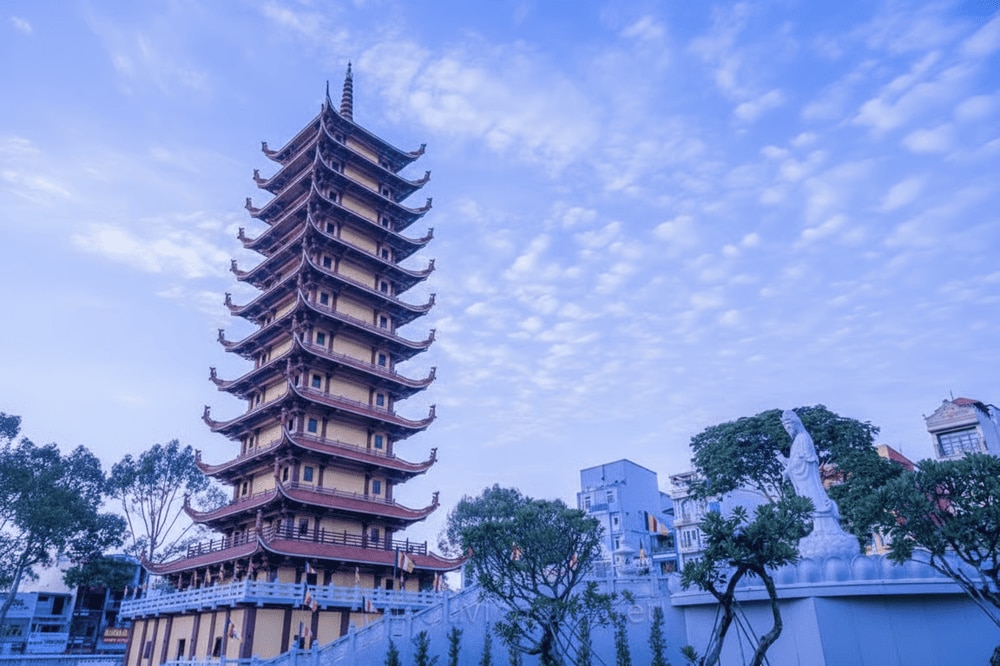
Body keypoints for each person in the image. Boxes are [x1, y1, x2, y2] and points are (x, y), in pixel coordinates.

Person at [779, 409, 839, 519]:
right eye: (786, 427)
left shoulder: (803, 438)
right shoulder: (797, 440)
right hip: (802, 480)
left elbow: (802, 462)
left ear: (796, 424)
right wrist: (786, 465)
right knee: (807, 503)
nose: (788, 430)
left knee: (814, 501)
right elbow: (795, 460)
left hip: (807, 478)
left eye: (789, 426)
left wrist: (788, 470)